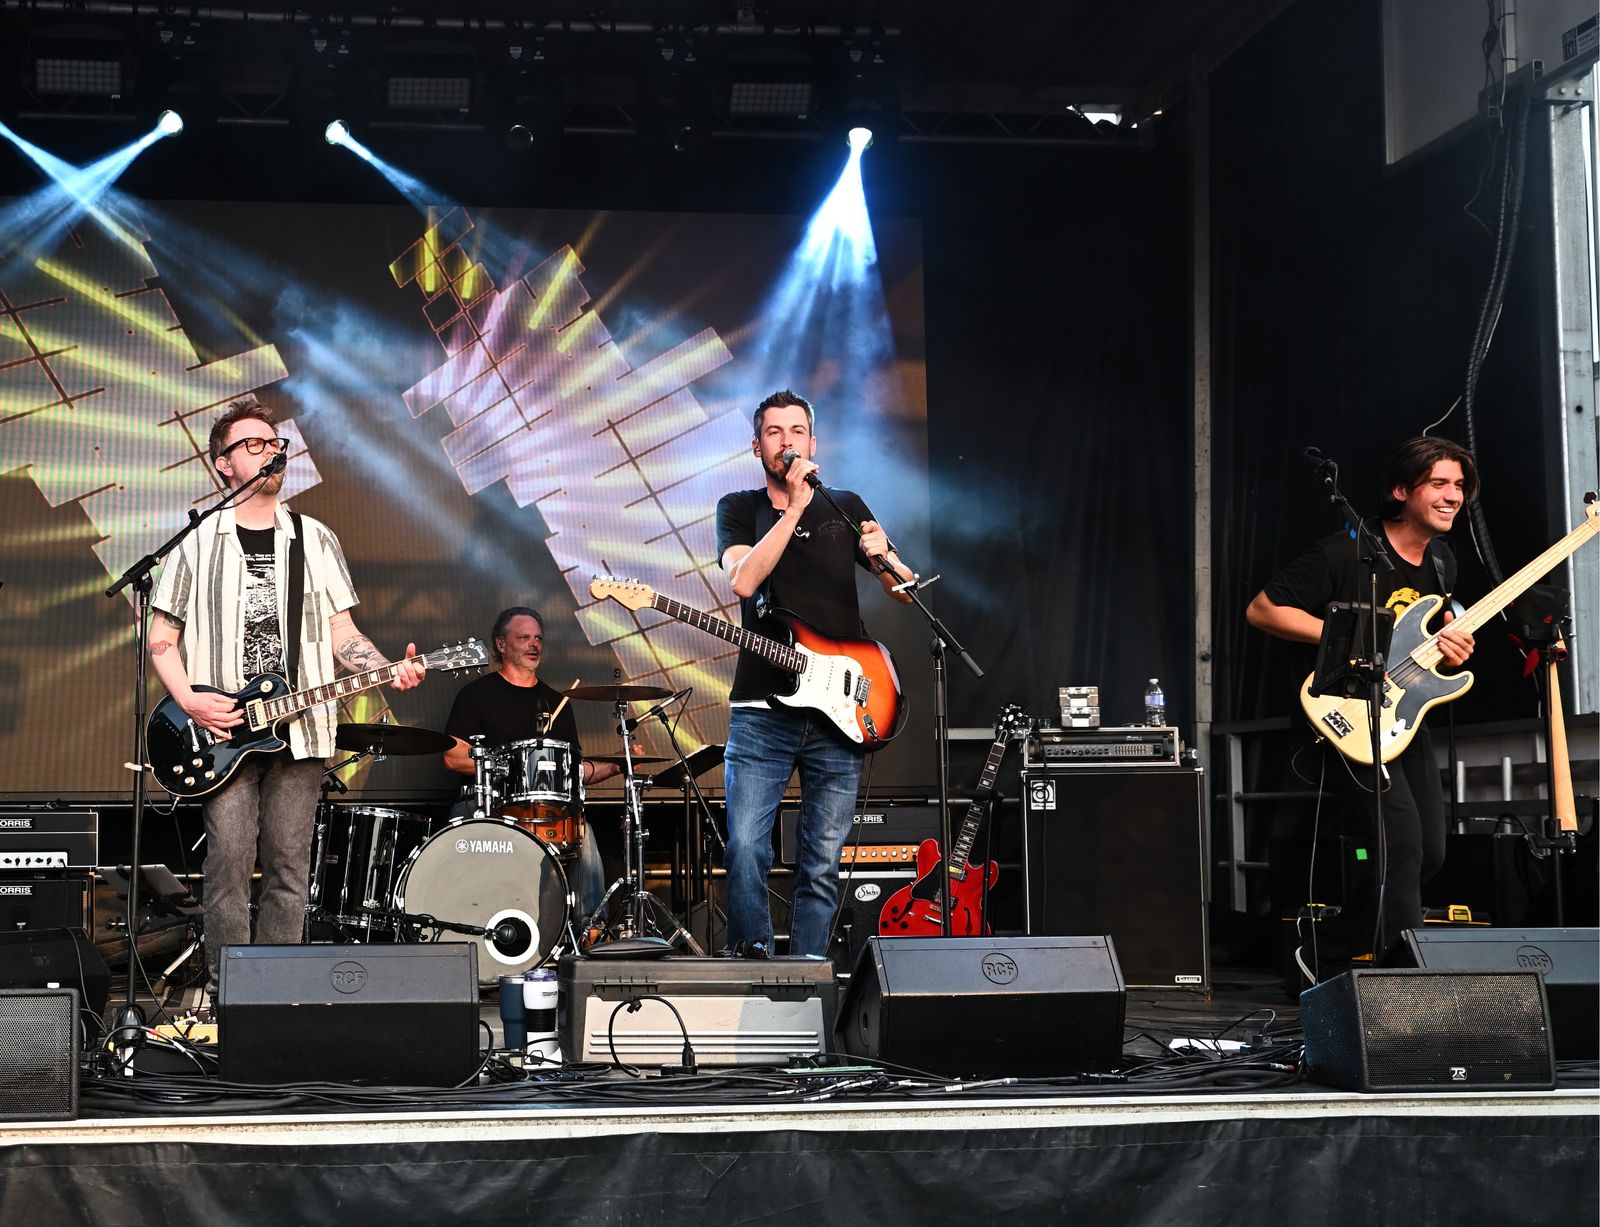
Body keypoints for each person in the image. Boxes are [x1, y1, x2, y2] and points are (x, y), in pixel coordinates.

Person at [149, 398, 426, 990]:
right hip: (221, 731)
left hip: (300, 728)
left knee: (289, 867)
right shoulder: (197, 542)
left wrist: (386, 668)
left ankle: (276, 992)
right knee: (227, 863)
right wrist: (190, 700)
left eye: (275, 442)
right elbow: (161, 638)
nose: (271, 451)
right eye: (253, 444)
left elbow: (342, 632)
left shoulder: (315, 538)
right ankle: (228, 990)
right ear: (223, 463)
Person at [1245, 435, 1479, 965]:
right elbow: (1264, 610)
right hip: (1346, 713)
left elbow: (1420, 654)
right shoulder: (1344, 551)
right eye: (1438, 483)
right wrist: (1354, 640)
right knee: (1401, 846)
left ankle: (1324, 952)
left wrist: (1452, 653)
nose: (1452, 496)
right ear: (1401, 491)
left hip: (1402, 715)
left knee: (1430, 853)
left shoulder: (1443, 563)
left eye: (1459, 485)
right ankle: (1405, 986)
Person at [715, 390, 912, 958]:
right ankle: (754, 970)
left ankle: (807, 979)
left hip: (841, 709)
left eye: (796, 431)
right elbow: (743, 581)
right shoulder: (739, 507)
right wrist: (794, 510)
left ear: (812, 442)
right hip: (763, 711)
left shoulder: (845, 504)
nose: (786, 441)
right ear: (757, 446)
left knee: (822, 862)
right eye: (774, 432)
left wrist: (886, 557)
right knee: (746, 850)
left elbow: (902, 590)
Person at [443, 607, 628, 911]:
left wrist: (613, 766)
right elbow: (452, 757)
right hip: (485, 803)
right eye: (524, 638)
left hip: (544, 811)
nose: (534, 645)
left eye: (538, 638)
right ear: (501, 644)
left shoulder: (556, 701)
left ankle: (590, 928)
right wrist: (509, 765)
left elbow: (570, 770)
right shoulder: (476, 694)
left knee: (582, 831)